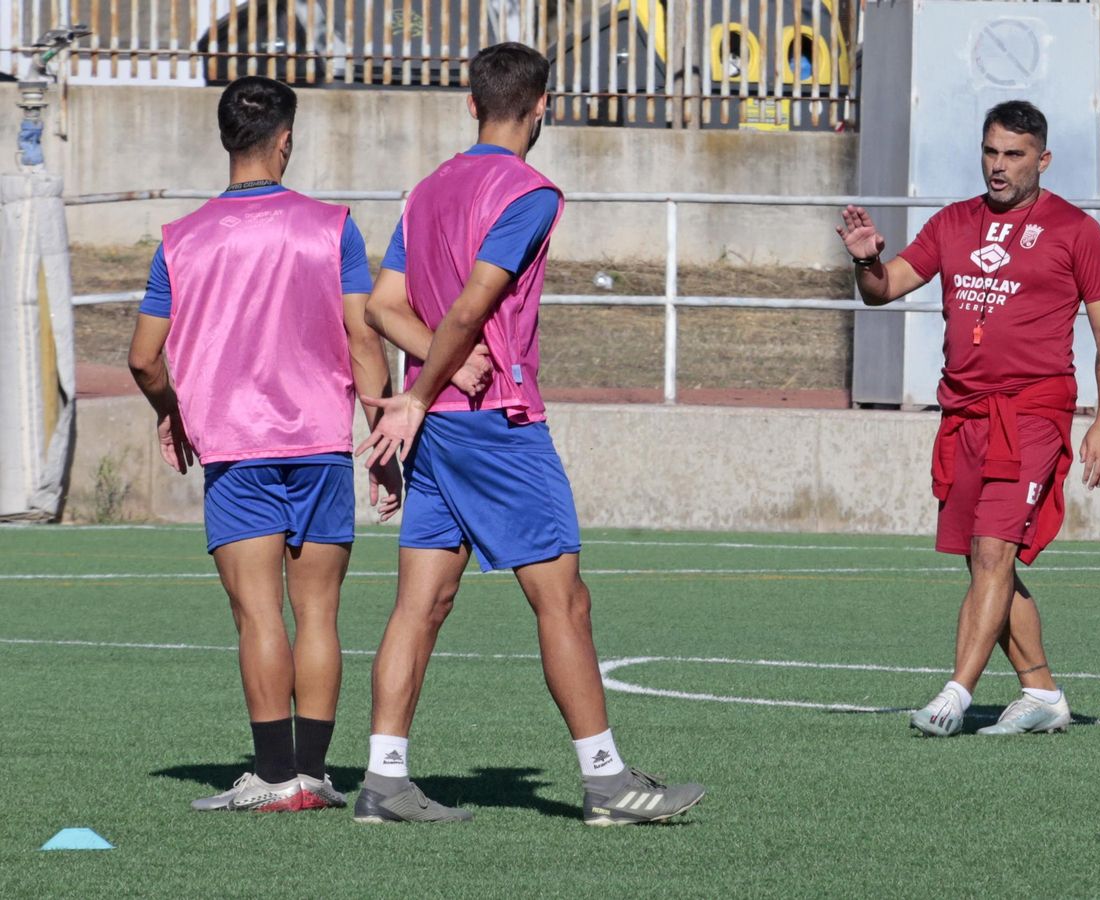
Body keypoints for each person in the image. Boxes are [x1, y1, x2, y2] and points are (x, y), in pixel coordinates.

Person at [354, 42, 703, 825]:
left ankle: (383, 780)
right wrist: (430, 385)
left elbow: (383, 306)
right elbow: (472, 307)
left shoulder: (428, 188)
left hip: (440, 430)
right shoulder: (530, 193)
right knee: (564, 603)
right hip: (495, 428)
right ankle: (608, 783)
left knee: (421, 604)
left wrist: (422, 387)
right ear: (542, 105)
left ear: (472, 104)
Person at [126, 76, 402, 812]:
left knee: (258, 613)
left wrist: (172, 411)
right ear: (285, 140)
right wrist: (384, 436)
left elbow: (143, 359)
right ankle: (311, 775)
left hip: (236, 449)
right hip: (318, 442)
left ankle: (274, 775)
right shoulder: (331, 225)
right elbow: (363, 339)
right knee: (318, 613)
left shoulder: (180, 241)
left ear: (227, 141)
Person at [836, 100, 1100, 737]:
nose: (999, 167)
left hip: (1033, 415)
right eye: (991, 152)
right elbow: (885, 289)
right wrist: (865, 259)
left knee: (994, 550)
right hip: (964, 415)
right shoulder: (953, 222)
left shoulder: (1077, 232)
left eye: (1014, 155)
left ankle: (956, 693)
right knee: (983, 559)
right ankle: (1043, 692)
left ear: (1043, 160)